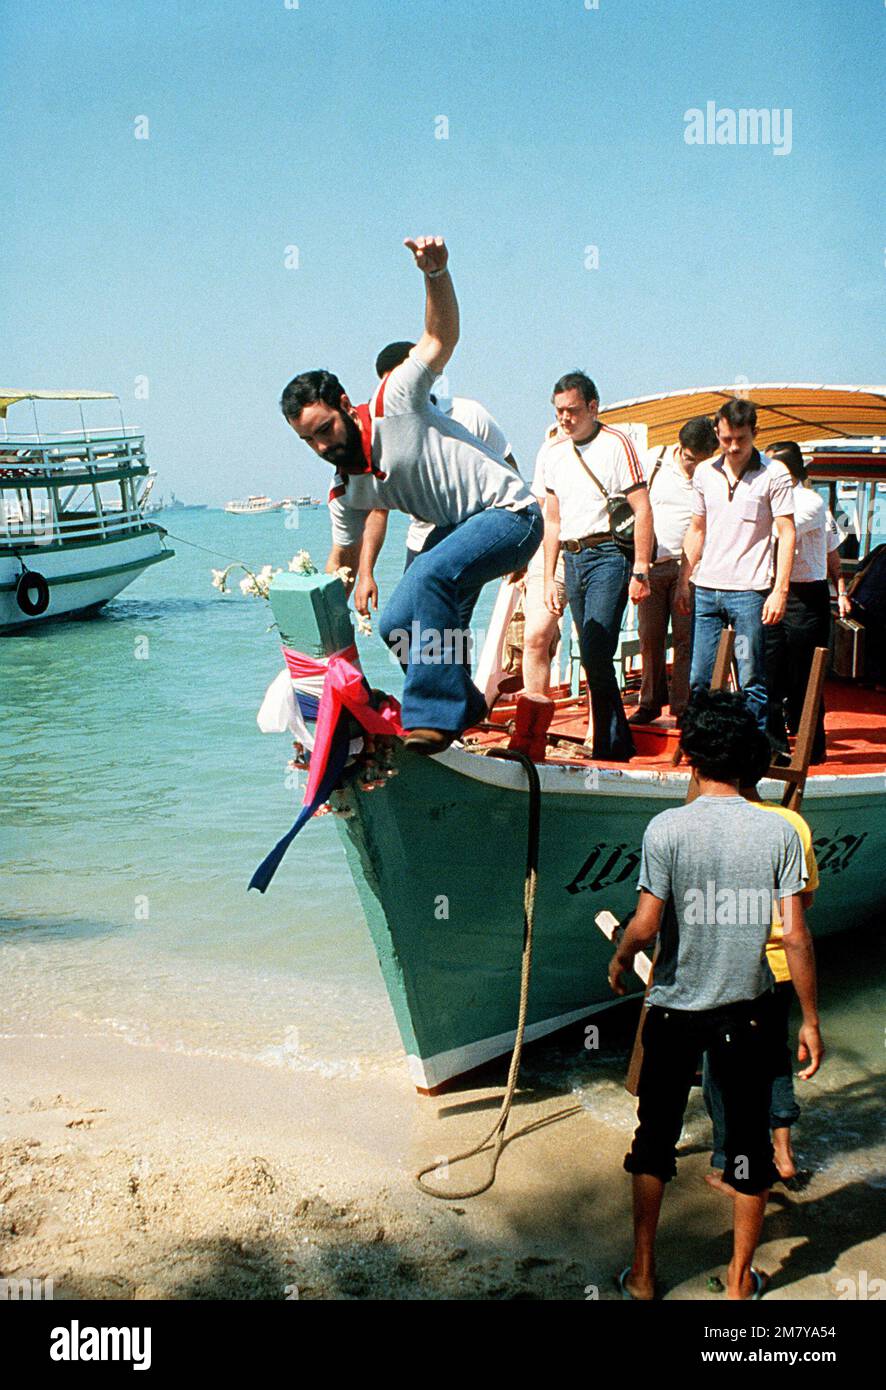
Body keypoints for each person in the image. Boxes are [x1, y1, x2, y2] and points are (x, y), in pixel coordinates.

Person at [279, 236, 542, 754]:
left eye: (325, 429)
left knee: (427, 574)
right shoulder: (344, 490)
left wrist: (436, 274)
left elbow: (439, 336)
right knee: (397, 621)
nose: (321, 445)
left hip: (511, 513)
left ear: (343, 404)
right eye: (308, 440)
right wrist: (311, 620)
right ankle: (462, 700)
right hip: (458, 529)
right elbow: (342, 561)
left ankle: (431, 718)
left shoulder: (394, 398)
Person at [609, 689, 823, 1301]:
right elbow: (796, 935)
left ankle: (645, 1277)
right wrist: (809, 1018)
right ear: (750, 761)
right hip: (749, 1010)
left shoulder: (667, 828)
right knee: (750, 1146)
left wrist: (622, 954)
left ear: (692, 758)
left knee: (654, 1138)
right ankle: (737, 1285)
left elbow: (647, 924)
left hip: (676, 1007)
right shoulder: (778, 831)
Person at [702, 727, 820, 1190]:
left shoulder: (710, 821)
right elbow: (801, 913)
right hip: (782, 970)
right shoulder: (791, 824)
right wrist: (813, 1017)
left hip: (732, 968)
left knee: (722, 1068)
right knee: (774, 1059)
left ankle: (732, 1164)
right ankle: (784, 1154)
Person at [541, 371, 654, 761]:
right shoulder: (553, 453)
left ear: (593, 407)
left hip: (609, 555)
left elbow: (642, 509)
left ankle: (609, 745)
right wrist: (547, 579)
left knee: (595, 650)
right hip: (572, 558)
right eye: (559, 412)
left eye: (572, 410)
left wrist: (641, 569)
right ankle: (616, 740)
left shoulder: (616, 444)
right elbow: (551, 520)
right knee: (592, 652)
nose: (565, 419)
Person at [676, 398, 796, 733]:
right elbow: (696, 528)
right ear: (717, 433)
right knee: (700, 677)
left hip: (748, 594)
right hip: (708, 592)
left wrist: (779, 591)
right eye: (726, 439)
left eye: (741, 440)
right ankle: (702, 747)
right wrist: (685, 579)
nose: (733, 447)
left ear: (755, 433)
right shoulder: (704, 473)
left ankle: (750, 754)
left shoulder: (774, 474)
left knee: (749, 678)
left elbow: (787, 533)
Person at [630, 416, 719, 725]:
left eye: (702, 461)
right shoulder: (654, 460)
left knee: (686, 640)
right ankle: (650, 702)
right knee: (650, 637)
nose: (696, 467)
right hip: (653, 565)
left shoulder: (710, 473)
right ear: (681, 449)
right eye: (692, 460)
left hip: (690, 569)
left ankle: (683, 708)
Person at [764, 440, 847, 764]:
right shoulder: (769, 498)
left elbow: (780, 532)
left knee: (804, 676)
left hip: (805, 598)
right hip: (770, 591)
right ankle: (775, 747)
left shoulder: (810, 502)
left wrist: (839, 588)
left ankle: (812, 747)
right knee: (767, 674)